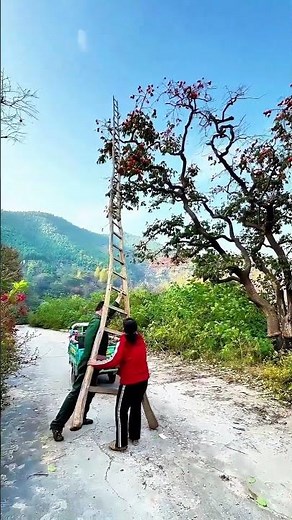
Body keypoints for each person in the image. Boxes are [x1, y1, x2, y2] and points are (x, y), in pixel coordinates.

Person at [50, 294, 122, 442]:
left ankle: (82, 415)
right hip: (89, 363)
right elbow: (89, 343)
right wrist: (91, 361)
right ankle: (57, 425)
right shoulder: (96, 323)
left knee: (90, 391)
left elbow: (110, 313)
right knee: (77, 392)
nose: (108, 315)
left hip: (95, 363)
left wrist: (118, 299)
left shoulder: (101, 321)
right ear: (101, 310)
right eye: (106, 311)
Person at [88, 317, 149, 452]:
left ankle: (121, 444)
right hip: (143, 379)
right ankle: (134, 437)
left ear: (124, 330)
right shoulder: (140, 339)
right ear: (136, 329)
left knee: (120, 411)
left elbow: (113, 362)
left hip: (129, 382)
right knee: (135, 408)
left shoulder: (124, 341)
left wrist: (95, 363)